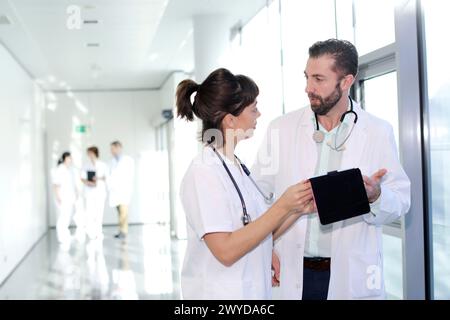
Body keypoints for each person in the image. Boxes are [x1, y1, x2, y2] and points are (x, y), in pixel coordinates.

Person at [252, 39, 411, 300]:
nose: (308, 88)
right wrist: (263, 246)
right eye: (306, 77)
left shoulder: (377, 132)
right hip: (292, 269)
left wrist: (376, 195)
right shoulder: (281, 129)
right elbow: (257, 196)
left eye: (319, 79)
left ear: (347, 81)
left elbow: (402, 201)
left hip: (350, 274)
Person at [176, 68, 315, 300]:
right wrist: (283, 205)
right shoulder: (203, 172)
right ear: (230, 120)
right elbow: (226, 250)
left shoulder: (237, 168)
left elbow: (257, 230)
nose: (258, 115)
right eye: (254, 109)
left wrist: (297, 208)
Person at [108, 141, 135, 239]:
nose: (111, 150)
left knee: (123, 212)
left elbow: (129, 176)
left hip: (124, 190)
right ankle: (121, 230)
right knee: (120, 212)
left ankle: (123, 231)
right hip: (115, 191)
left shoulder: (128, 160)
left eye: (112, 148)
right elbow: (110, 176)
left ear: (118, 147)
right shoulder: (112, 161)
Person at [52, 152, 80, 243]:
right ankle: (61, 237)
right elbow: (56, 185)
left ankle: (66, 235)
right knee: (62, 218)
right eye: (69, 158)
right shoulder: (60, 169)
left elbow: (72, 183)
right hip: (62, 197)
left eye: (71, 158)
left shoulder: (70, 169)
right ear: (64, 159)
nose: (71, 160)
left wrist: (76, 193)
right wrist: (58, 197)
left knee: (67, 217)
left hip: (69, 197)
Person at [81, 146, 108, 240]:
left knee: (99, 213)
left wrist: (98, 178)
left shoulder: (103, 165)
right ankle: (91, 232)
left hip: (100, 192)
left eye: (91, 153)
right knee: (90, 213)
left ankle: (98, 232)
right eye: (88, 153)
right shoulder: (86, 165)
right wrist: (88, 182)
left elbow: (106, 177)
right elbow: (82, 178)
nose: (89, 155)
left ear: (95, 153)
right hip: (89, 192)